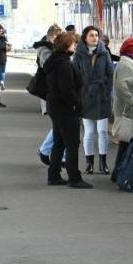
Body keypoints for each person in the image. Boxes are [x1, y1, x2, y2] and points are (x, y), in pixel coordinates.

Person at [43, 31, 92, 189]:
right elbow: (67, 89)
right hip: (65, 108)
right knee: (72, 143)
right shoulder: (64, 64)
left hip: (55, 106)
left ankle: (54, 175)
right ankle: (74, 178)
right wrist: (78, 104)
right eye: (73, 43)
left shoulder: (54, 61)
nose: (75, 45)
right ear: (66, 45)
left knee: (59, 142)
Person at [73, 26, 114, 175]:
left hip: (102, 95)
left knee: (103, 131)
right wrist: (79, 94)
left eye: (96, 35)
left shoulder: (104, 53)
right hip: (86, 95)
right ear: (85, 38)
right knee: (89, 132)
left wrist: (107, 90)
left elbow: (110, 73)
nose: (94, 38)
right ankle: (89, 163)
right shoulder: (78, 55)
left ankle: (103, 163)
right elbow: (74, 75)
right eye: (91, 35)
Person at [111, 37, 133, 182]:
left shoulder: (126, 65)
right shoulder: (126, 66)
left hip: (127, 110)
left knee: (126, 143)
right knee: (126, 144)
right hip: (128, 112)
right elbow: (122, 87)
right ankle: (119, 173)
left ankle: (119, 173)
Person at [34, 24, 63, 166]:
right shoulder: (45, 50)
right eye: (56, 38)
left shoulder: (54, 49)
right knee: (60, 125)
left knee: (60, 125)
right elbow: (49, 68)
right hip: (50, 92)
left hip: (56, 92)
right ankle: (47, 151)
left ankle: (48, 151)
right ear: (50, 37)